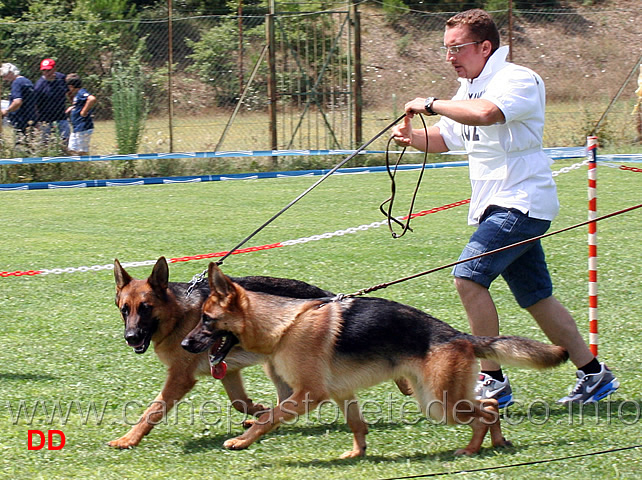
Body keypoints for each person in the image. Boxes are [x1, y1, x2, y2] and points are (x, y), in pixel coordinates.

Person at [391, 9, 618, 405]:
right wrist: (413, 137)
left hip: (521, 203)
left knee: (468, 277)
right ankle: (594, 374)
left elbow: (488, 114)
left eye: (457, 48)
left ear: (484, 46)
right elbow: (447, 138)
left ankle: (492, 380)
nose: (450, 57)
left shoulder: (517, 79)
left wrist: (431, 103)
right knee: (536, 297)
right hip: (496, 204)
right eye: (446, 49)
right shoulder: (465, 90)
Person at [34, 58, 70, 150]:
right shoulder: (39, 86)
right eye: (44, 71)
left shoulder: (62, 78)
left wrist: (73, 104)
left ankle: (64, 161)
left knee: (65, 142)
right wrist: (37, 122)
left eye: (49, 70)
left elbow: (70, 92)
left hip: (61, 117)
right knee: (44, 145)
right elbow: (35, 105)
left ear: (54, 69)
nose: (46, 73)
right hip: (45, 120)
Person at [0, 62, 37, 152]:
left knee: (20, 146)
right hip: (30, 117)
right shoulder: (27, 81)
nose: (4, 79)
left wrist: (7, 111)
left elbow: (17, 102)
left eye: (4, 75)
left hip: (21, 119)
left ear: (11, 73)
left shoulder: (16, 83)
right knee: (29, 144)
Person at [65, 73, 97, 156]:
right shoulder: (77, 95)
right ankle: (78, 165)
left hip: (83, 127)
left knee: (81, 151)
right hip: (77, 127)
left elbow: (92, 99)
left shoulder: (81, 92)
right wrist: (72, 106)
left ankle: (84, 166)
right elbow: (79, 104)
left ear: (71, 86)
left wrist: (84, 112)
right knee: (72, 149)